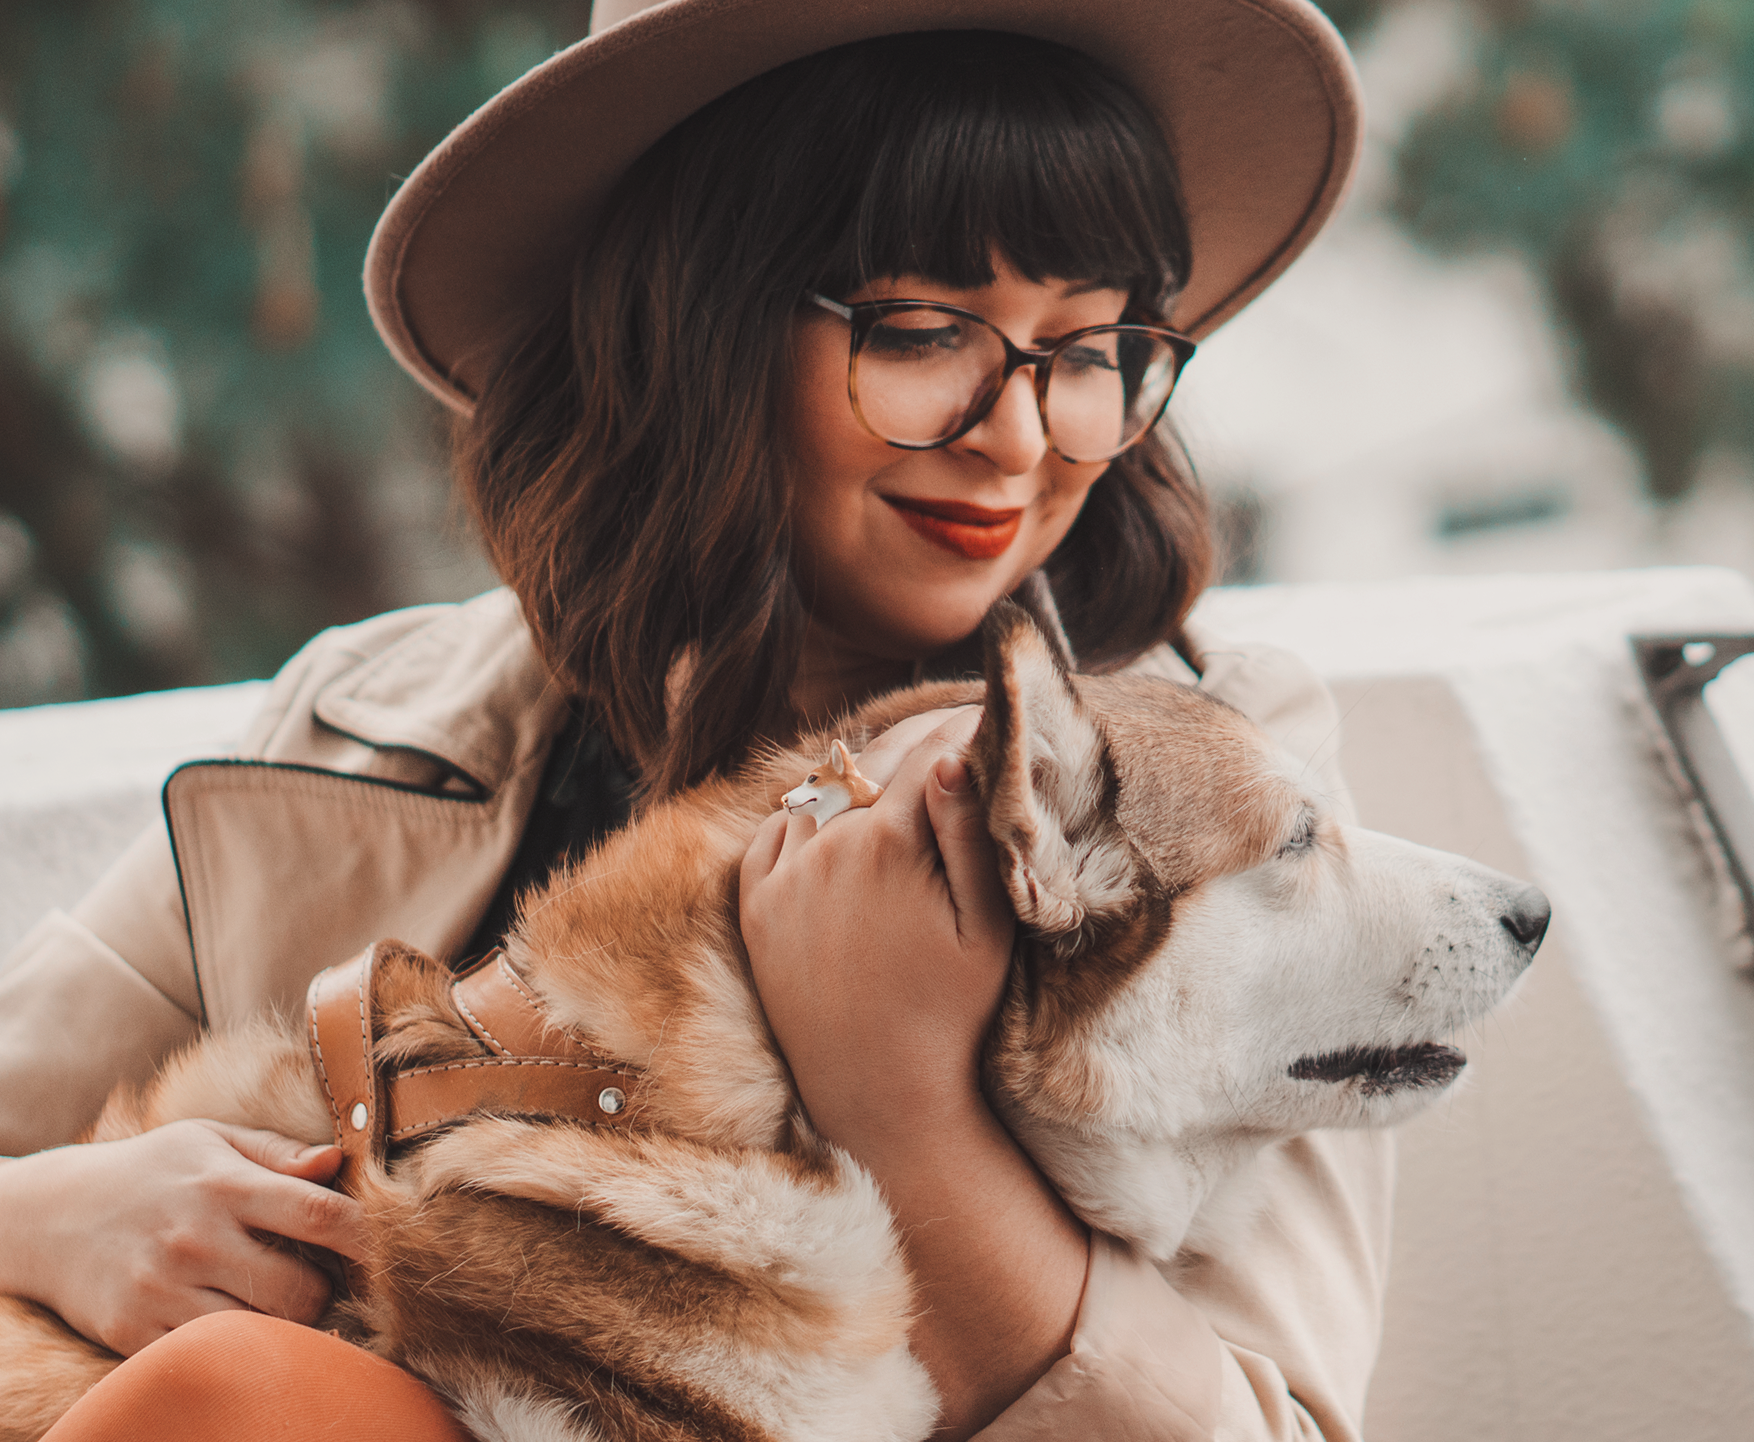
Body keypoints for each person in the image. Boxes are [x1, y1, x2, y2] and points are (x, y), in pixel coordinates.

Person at [0, 2, 1390, 1438]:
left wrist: (897, 1100)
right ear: (691, 321)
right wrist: (50, 1214)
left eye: (1092, 349)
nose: (1021, 435)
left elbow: (1265, 1427)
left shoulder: (1226, 782)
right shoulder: (370, 723)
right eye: (922, 331)